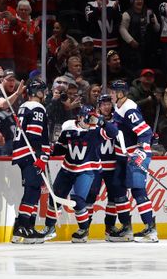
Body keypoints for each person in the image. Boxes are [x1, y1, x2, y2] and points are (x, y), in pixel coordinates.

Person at [40, 104, 118, 243]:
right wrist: (46, 152)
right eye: (87, 118)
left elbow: (114, 133)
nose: (89, 121)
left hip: (86, 170)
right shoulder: (68, 129)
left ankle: (83, 229)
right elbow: (59, 149)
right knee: (55, 199)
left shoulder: (96, 131)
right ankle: (49, 228)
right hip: (67, 169)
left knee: (78, 200)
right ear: (80, 117)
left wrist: (102, 121)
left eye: (91, 118)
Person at [109, 79, 158, 243]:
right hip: (123, 156)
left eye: (113, 92)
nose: (111, 94)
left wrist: (141, 152)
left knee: (138, 190)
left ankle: (150, 229)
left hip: (136, 155)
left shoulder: (129, 109)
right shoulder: (119, 106)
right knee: (118, 188)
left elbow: (145, 132)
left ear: (121, 93)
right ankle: (126, 228)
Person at [85, 93, 135, 242]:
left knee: (115, 198)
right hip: (96, 165)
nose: (106, 106)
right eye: (103, 104)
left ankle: (111, 227)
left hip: (113, 166)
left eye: (108, 103)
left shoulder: (117, 121)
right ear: (99, 106)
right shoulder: (91, 120)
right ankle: (84, 227)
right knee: (90, 197)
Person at [10, 78, 50, 244]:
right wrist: (41, 156)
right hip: (30, 153)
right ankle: (23, 227)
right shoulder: (37, 107)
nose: (45, 93)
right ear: (37, 92)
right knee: (32, 190)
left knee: (32, 189)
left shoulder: (24, 106)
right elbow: (34, 135)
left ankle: (25, 228)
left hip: (22, 153)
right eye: (43, 90)